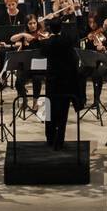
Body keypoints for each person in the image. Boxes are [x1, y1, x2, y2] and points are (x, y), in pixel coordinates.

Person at [43, 16, 82, 150]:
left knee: (50, 110)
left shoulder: (47, 43)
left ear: (50, 29)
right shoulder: (67, 41)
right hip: (65, 81)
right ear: (61, 28)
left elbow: (43, 53)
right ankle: (59, 141)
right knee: (62, 113)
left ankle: (49, 138)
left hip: (52, 81)